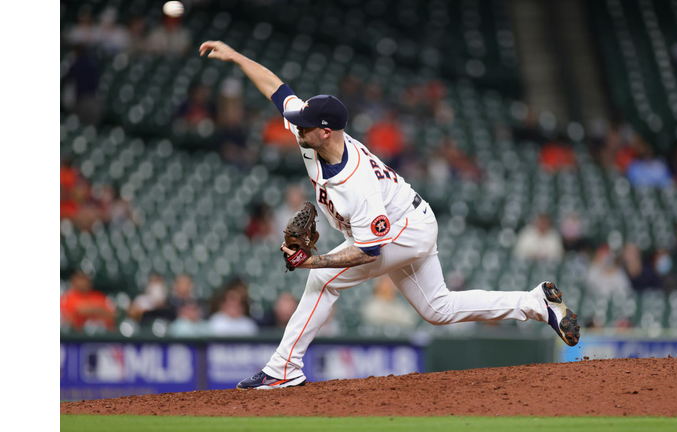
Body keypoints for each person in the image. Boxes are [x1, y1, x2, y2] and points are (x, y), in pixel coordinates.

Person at [199, 40, 581, 390]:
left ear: (327, 132)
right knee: (438, 308)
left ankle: (284, 368)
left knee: (324, 280)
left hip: (406, 229)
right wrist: (235, 56)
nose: (297, 126)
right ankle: (534, 303)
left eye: (307, 126)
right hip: (405, 220)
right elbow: (277, 90)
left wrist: (315, 261)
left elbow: (370, 251)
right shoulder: (311, 132)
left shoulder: (357, 183)